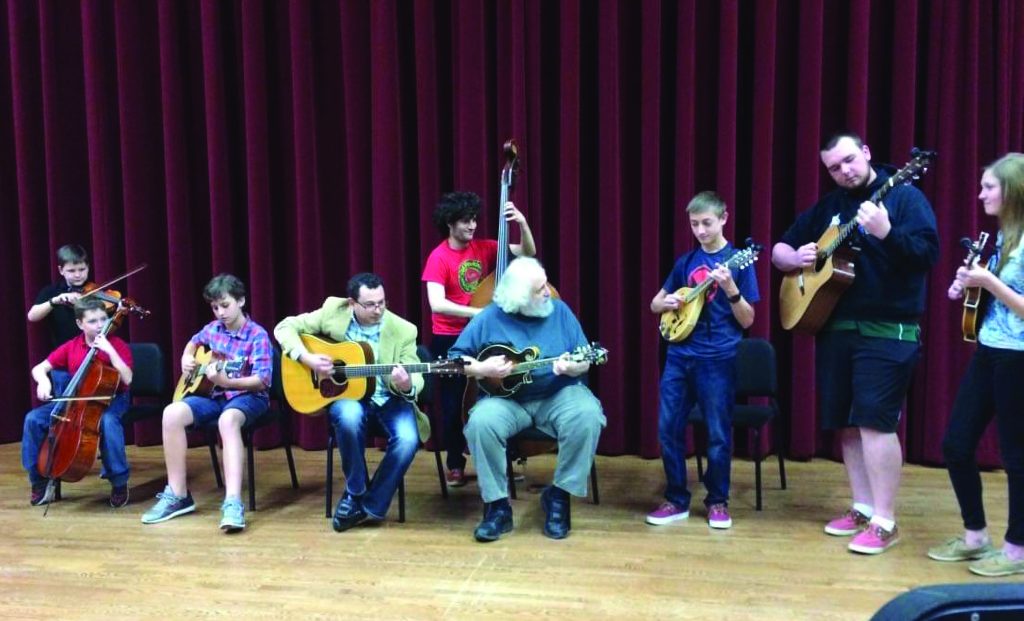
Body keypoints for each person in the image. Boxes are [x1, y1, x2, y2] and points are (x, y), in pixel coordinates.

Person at [771, 132, 939, 554]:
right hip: (836, 329)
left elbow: (926, 254)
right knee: (846, 424)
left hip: (887, 331)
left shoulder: (903, 196)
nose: (844, 171)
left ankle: (886, 521)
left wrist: (885, 232)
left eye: (849, 160)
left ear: (866, 152)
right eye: (834, 167)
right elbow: (779, 250)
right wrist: (795, 259)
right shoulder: (830, 207)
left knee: (874, 424)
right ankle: (863, 507)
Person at [450, 257, 605, 542]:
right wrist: (483, 369)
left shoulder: (559, 312)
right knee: (480, 423)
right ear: (519, 298)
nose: (548, 291)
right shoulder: (489, 317)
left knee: (588, 415)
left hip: (557, 393)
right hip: (507, 401)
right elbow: (455, 360)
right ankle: (497, 507)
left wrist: (573, 367)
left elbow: (585, 359)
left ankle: (558, 497)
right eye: (539, 289)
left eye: (545, 283)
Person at [274, 272, 430, 532]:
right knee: (347, 415)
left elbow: (415, 370)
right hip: (349, 397)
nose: (378, 310)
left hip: (388, 398)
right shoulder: (333, 311)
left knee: (408, 439)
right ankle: (355, 490)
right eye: (370, 305)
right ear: (352, 303)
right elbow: (284, 327)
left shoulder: (403, 329)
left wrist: (408, 383)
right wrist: (306, 358)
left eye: (382, 302)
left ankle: (367, 505)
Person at [929, 153, 1024, 577]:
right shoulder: (1002, 238)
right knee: (956, 444)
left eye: (989, 186)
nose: (980, 193)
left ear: (1013, 190)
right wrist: (969, 287)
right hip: (989, 350)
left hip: (1018, 358)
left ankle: (1017, 549)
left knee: (1016, 456)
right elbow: (992, 299)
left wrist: (989, 282)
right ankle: (975, 537)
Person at [645, 191, 759, 530]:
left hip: (718, 358)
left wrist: (730, 290)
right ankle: (677, 498)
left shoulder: (739, 261)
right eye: (694, 224)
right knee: (668, 429)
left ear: (724, 218)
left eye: (707, 223)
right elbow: (655, 304)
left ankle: (717, 501)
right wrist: (665, 304)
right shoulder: (685, 262)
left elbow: (748, 319)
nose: (700, 231)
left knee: (718, 434)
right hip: (680, 355)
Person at [141, 274, 273, 533]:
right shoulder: (212, 329)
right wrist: (186, 357)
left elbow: (262, 380)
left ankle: (233, 502)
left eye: (225, 305)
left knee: (228, 420)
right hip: (213, 395)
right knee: (172, 413)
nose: (220, 312)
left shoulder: (257, 335)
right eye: (215, 307)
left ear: (241, 301)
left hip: (248, 397)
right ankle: (178, 494)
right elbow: (194, 342)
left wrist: (228, 382)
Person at [422, 191, 536, 487]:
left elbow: (528, 252)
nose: (472, 226)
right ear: (450, 223)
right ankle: (455, 463)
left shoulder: (484, 247)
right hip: (449, 337)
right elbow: (437, 303)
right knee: (452, 403)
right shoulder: (438, 257)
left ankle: (503, 460)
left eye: (474, 219)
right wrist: (478, 313)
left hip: (484, 337)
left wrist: (522, 224)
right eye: (465, 221)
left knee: (498, 394)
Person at [22, 297, 134, 507]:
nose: (100, 325)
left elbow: (127, 378)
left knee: (108, 423)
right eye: (92, 321)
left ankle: (119, 482)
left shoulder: (117, 345)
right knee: (33, 419)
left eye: (103, 319)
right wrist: (43, 382)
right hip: (77, 399)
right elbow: (39, 368)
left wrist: (109, 350)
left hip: (112, 399)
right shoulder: (72, 346)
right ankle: (39, 480)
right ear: (79, 324)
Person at [27, 244, 92, 398]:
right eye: (71, 271)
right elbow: (32, 316)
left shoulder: (95, 291)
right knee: (65, 412)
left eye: (82, 270)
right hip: (63, 364)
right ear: (61, 270)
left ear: (88, 268)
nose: (78, 275)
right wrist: (54, 301)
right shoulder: (52, 292)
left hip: (92, 362)